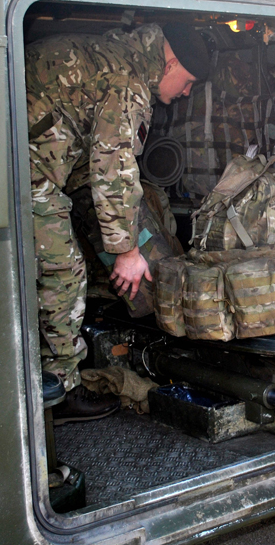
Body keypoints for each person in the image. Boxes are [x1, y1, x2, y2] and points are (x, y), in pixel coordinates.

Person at [26, 22, 209, 422]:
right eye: (188, 81)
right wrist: (126, 252)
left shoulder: (116, 55)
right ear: (171, 60)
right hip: (23, 168)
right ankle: (59, 393)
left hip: (30, 154)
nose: (185, 92)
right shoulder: (128, 82)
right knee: (63, 272)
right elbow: (113, 170)